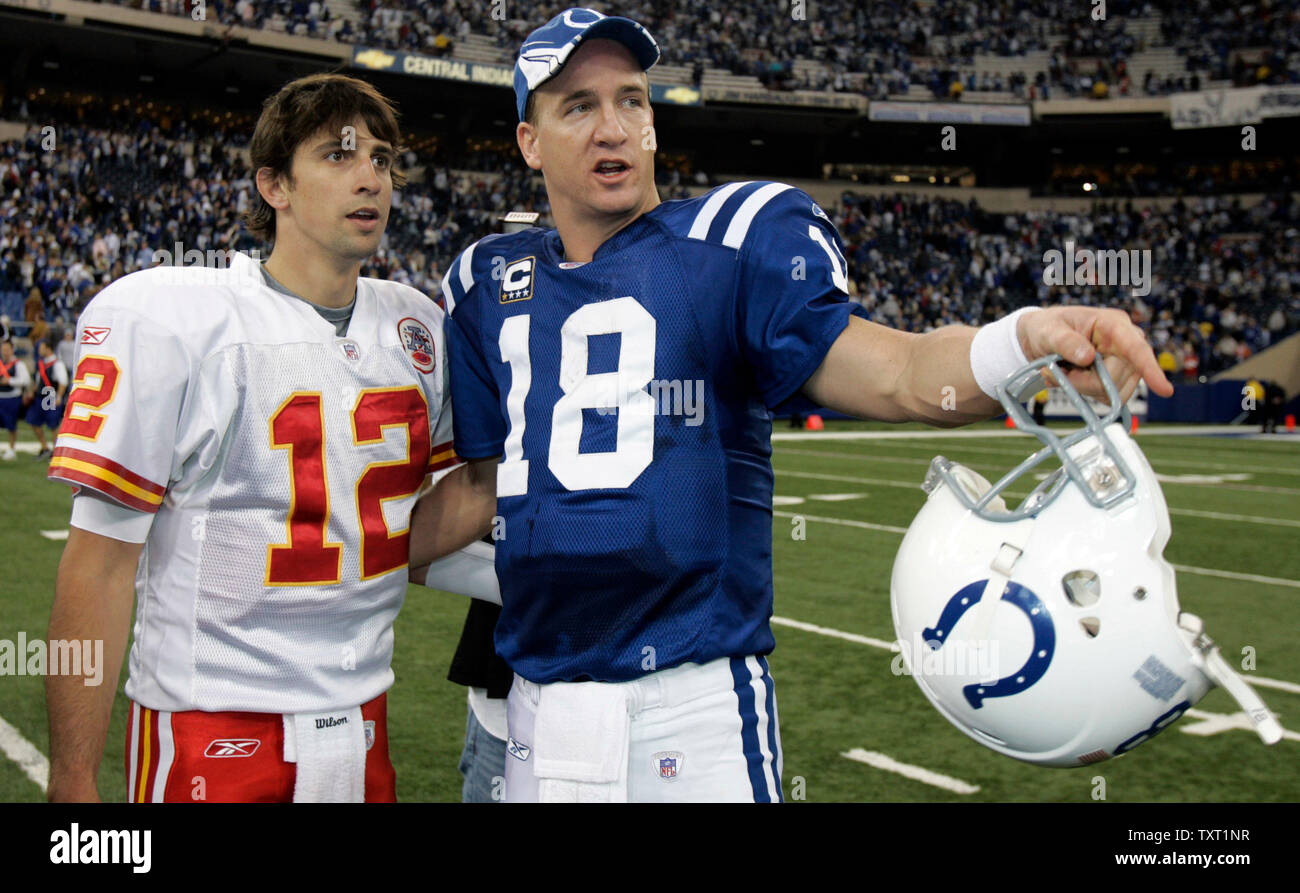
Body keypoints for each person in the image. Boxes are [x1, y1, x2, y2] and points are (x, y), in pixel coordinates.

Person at [435, 8, 1175, 803]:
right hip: (534, 714)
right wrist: (325, 562)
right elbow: (479, 490)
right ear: (529, 142)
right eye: (578, 107)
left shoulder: (731, 239)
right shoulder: (485, 284)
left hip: (694, 711)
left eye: (632, 100)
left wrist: (1020, 342)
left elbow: (897, 370)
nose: (614, 127)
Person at [44, 73, 496, 804]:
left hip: (363, 724)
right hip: (210, 727)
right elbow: (96, 566)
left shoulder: (416, 329)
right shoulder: (176, 319)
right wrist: (70, 781)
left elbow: (389, 538)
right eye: (338, 155)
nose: (369, 178)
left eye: (381, 159)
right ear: (274, 186)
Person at [26, 337, 67, 458]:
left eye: (42, 348)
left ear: (48, 349)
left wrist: (58, 397)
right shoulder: (42, 363)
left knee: (53, 424)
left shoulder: (57, 363)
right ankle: (44, 447)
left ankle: (55, 451)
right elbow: (39, 379)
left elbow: (63, 381)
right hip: (40, 396)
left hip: (50, 396)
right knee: (34, 421)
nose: (39, 350)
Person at [0, 339, 33, 459]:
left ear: (12, 350)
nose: (5, 352)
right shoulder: (1, 363)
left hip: (12, 397)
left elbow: (25, 380)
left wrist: (10, 381)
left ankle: (11, 449)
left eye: (7, 349)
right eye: (3, 349)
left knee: (11, 425)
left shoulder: (18, 364)